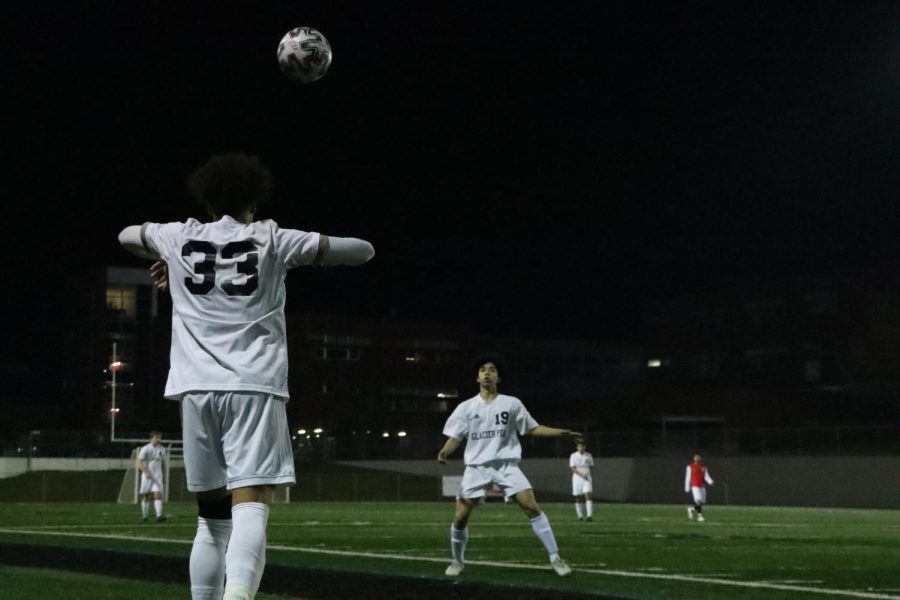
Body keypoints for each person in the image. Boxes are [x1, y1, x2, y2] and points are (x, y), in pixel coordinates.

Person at [118, 153, 374, 600]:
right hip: (254, 386)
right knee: (251, 505)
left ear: (207, 200)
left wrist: (169, 261)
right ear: (254, 198)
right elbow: (363, 250)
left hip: (195, 390)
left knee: (211, 520)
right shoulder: (271, 237)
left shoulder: (179, 236)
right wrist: (312, 253)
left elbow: (125, 235)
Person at [437, 357, 580, 578]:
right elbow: (456, 436)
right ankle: (457, 561)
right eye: (483, 370)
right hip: (476, 467)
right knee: (461, 517)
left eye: (492, 370)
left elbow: (532, 428)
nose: (487, 373)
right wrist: (446, 451)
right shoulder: (466, 407)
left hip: (506, 465)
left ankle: (555, 558)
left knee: (532, 507)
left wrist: (559, 432)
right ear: (477, 378)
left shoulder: (511, 403)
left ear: (498, 377)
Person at [137, 431, 167, 522]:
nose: (158, 439)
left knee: (158, 495)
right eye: (156, 437)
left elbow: (162, 463)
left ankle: (159, 515)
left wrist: (163, 474)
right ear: (151, 439)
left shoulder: (162, 449)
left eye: (159, 437)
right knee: (146, 496)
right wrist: (145, 472)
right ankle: (145, 516)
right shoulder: (145, 449)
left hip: (158, 476)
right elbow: (139, 462)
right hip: (147, 476)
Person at [569, 439, 594, 522]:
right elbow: (573, 468)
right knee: (578, 497)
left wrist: (587, 474)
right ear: (577, 447)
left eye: (583, 446)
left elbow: (591, 466)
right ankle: (580, 516)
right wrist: (581, 474)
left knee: (588, 495)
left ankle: (589, 516)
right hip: (577, 479)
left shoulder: (588, 455)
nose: (581, 448)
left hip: (587, 479)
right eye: (580, 446)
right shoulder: (573, 456)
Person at [685, 453, 714, 522]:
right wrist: (687, 487)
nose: (697, 458)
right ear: (694, 459)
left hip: (702, 486)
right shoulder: (690, 466)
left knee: (702, 502)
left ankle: (691, 509)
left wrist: (710, 481)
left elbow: (706, 476)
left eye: (698, 457)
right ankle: (700, 516)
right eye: (696, 457)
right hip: (695, 486)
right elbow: (688, 477)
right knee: (699, 500)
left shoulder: (703, 467)